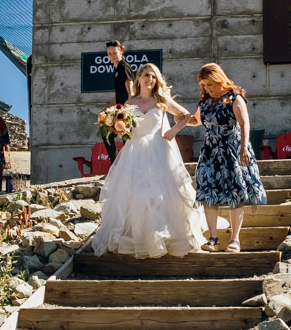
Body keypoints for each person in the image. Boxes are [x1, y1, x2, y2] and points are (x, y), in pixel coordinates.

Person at [90, 62, 201, 257]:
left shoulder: (161, 100)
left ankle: (164, 237)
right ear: (139, 78)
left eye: (153, 76)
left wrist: (173, 131)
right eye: (146, 75)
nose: (150, 79)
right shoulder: (129, 104)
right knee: (135, 194)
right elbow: (123, 128)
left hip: (159, 150)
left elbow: (185, 115)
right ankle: (137, 236)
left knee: (160, 193)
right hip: (135, 152)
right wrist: (115, 127)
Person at [177, 63, 266, 251]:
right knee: (208, 192)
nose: (207, 88)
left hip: (232, 150)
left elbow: (244, 123)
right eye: (203, 85)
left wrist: (244, 148)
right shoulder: (205, 101)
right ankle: (213, 239)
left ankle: (235, 240)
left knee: (235, 192)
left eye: (209, 84)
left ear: (219, 79)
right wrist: (183, 120)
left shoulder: (235, 98)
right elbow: (197, 120)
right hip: (210, 151)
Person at [103, 41, 135, 165]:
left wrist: (130, 105)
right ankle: (117, 166)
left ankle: (119, 167)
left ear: (121, 51)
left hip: (125, 109)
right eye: (109, 53)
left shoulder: (123, 66)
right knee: (108, 134)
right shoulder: (116, 67)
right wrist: (108, 108)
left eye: (114, 52)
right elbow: (119, 93)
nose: (112, 55)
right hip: (119, 107)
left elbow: (129, 85)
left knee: (124, 137)